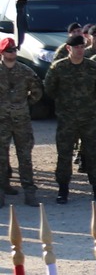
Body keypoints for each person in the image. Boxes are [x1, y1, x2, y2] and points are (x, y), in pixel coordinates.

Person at [44, 36, 96, 203]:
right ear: (69, 49)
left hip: (89, 118)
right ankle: (63, 190)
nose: (80, 49)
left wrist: (91, 102)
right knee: (64, 154)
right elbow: (49, 88)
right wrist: (64, 104)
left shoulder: (93, 67)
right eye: (76, 47)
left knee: (94, 153)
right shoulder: (59, 67)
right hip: (67, 118)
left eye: (82, 46)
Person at [0, 38, 43, 205]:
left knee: (25, 156)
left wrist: (24, 105)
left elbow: (37, 92)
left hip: (21, 121)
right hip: (1, 121)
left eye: (14, 50)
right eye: (9, 50)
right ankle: (2, 189)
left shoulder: (25, 71)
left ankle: (29, 191)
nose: (12, 53)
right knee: (1, 157)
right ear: (2, 52)